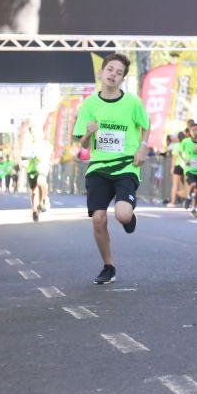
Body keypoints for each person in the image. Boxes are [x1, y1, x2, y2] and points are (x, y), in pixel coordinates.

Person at [72, 53, 150, 285]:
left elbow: (146, 127)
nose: (113, 75)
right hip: (98, 167)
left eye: (119, 72)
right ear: (101, 72)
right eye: (110, 70)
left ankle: (128, 219)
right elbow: (82, 144)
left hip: (127, 165)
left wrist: (143, 147)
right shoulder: (89, 104)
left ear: (122, 78)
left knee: (122, 214)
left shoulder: (133, 102)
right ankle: (108, 266)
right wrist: (88, 133)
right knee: (98, 219)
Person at [180, 123, 197, 218]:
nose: (195, 132)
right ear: (190, 132)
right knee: (193, 184)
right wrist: (184, 160)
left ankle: (193, 208)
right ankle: (188, 198)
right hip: (189, 169)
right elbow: (180, 152)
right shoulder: (185, 142)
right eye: (193, 130)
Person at [168, 133, 187, 207]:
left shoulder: (176, 145)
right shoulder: (187, 144)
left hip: (178, 166)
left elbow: (174, 157)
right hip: (186, 166)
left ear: (178, 138)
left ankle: (173, 202)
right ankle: (188, 201)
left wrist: (172, 167)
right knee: (187, 185)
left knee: (175, 185)